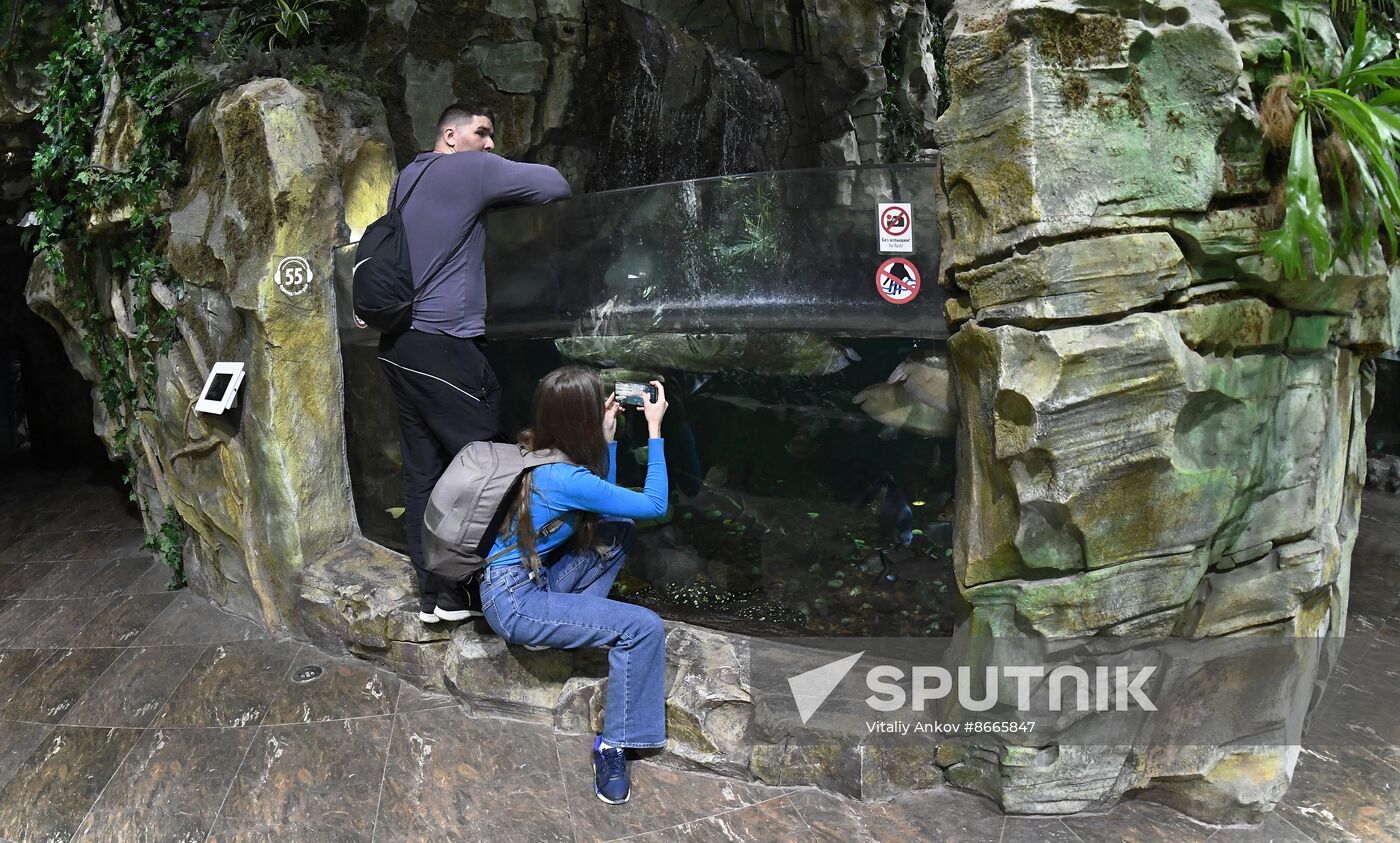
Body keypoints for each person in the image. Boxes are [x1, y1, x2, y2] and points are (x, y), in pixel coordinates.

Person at [377, 103, 572, 624]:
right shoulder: (469, 168)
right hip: (446, 347)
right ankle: (502, 591)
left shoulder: (408, 176)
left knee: (426, 473)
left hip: (400, 346)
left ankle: (437, 597)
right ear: (450, 134)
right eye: (482, 133)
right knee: (493, 462)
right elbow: (554, 184)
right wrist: (488, 170)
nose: (489, 143)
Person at [480, 366, 670, 805]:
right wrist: (655, 431)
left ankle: (570, 626)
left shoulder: (538, 445)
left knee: (617, 528)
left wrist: (607, 439)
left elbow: (601, 505)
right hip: (515, 600)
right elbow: (655, 504)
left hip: (525, 579)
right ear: (578, 417)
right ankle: (614, 746)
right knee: (643, 628)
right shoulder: (565, 477)